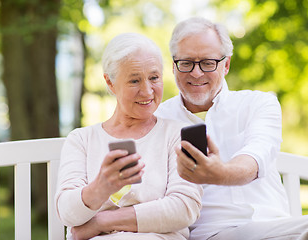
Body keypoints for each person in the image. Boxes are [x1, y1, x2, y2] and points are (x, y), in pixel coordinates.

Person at [155, 17, 308, 240]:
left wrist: (219, 173)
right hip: (211, 233)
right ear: (174, 64)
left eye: (208, 62)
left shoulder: (259, 104)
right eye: (186, 63)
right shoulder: (158, 119)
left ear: (226, 65)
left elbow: (254, 157)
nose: (196, 73)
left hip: (275, 228)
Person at [55, 32, 202, 240]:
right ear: (110, 83)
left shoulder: (182, 134)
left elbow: (185, 207)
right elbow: (67, 212)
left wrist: (101, 222)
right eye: (134, 80)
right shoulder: (81, 139)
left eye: (154, 78)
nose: (147, 91)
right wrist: (100, 187)